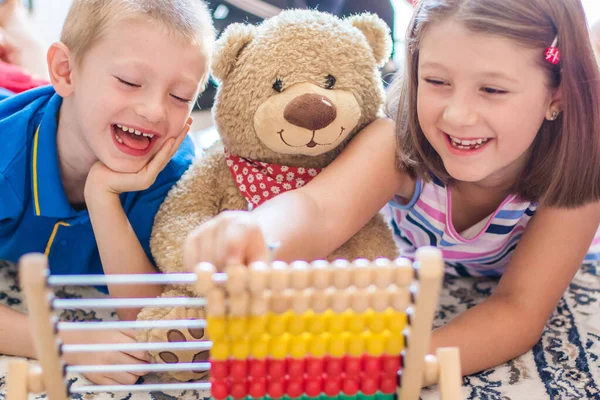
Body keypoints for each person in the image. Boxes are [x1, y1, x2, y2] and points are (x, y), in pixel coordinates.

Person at [183, 0, 600, 386]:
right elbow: (317, 208)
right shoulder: (396, 141)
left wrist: (399, 364)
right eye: (437, 81)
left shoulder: (581, 167)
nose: (457, 114)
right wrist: (255, 231)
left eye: (493, 90)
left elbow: (518, 310)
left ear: (557, 94)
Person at [0, 0, 214, 386]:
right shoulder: (6, 155)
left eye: (181, 97)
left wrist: (103, 196)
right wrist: (67, 341)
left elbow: (147, 315)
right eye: (130, 82)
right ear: (65, 71)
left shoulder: (175, 173)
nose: (153, 111)